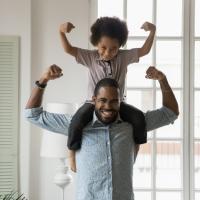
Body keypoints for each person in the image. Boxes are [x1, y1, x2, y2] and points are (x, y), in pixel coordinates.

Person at [25, 64, 179, 200]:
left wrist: (162, 79)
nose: (108, 106)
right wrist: (43, 81)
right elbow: (33, 115)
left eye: (114, 101)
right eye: (103, 100)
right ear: (94, 99)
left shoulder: (132, 124)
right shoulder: (76, 125)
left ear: (120, 101)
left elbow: (170, 113)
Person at [59, 17, 156, 171]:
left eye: (114, 48)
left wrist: (152, 32)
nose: (108, 52)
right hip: (93, 103)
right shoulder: (90, 57)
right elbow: (68, 49)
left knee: (138, 118)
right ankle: (71, 153)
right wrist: (61, 32)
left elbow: (144, 50)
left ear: (120, 47)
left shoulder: (124, 57)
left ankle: (135, 149)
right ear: (96, 43)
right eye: (103, 47)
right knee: (76, 121)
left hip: (118, 103)